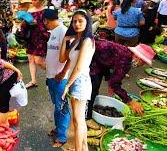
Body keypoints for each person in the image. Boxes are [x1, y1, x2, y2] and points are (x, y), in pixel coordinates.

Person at [87, 40, 156, 119]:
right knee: (91, 89)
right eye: (143, 63)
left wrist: (110, 81)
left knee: (94, 88)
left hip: (97, 59)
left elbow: (107, 62)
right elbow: (115, 84)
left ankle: (89, 107)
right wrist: (130, 101)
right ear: (138, 58)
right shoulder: (125, 61)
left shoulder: (126, 52)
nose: (142, 65)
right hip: (89, 57)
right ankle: (87, 117)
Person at [59, 10, 95, 151]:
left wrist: (68, 84)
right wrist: (64, 40)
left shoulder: (87, 41)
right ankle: (83, 147)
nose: (77, 23)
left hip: (80, 82)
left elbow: (80, 67)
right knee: (77, 120)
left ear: (87, 23)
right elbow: (63, 59)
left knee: (78, 121)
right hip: (75, 80)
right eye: (74, 21)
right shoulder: (77, 41)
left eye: (80, 21)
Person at [44, 9, 70, 147]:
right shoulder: (53, 32)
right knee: (57, 106)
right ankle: (57, 129)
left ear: (45, 20)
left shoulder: (63, 31)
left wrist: (63, 73)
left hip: (61, 78)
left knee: (62, 107)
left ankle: (62, 137)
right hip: (51, 77)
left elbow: (69, 56)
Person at [21, 0, 50, 89]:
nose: (33, 2)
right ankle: (33, 80)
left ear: (41, 0)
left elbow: (48, 26)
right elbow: (25, 24)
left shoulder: (46, 11)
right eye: (32, 0)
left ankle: (54, 74)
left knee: (39, 61)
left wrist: (37, 24)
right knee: (31, 59)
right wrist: (23, 23)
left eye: (35, 0)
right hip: (30, 37)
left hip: (40, 38)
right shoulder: (29, 10)